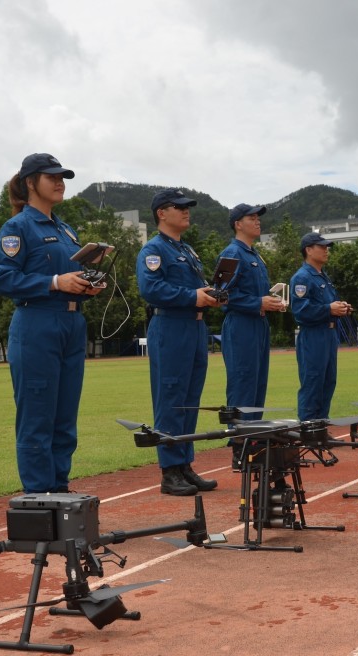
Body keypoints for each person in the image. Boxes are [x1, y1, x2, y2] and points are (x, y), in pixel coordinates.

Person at [0, 153, 104, 496]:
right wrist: (55, 282)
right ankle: (40, 496)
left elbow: (71, 278)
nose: (60, 182)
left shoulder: (65, 228)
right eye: (51, 176)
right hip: (37, 323)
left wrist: (86, 286)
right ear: (29, 182)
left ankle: (59, 489)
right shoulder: (18, 227)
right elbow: (3, 278)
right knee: (38, 418)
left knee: (64, 419)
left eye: (62, 177)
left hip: (71, 322)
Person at [136, 188, 222, 495]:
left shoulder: (186, 250)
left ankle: (184, 463)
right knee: (171, 398)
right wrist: (192, 296)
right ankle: (169, 470)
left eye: (187, 207)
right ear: (161, 213)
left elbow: (193, 288)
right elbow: (151, 289)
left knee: (189, 401)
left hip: (195, 328)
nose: (186, 211)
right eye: (179, 207)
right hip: (171, 326)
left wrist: (209, 295)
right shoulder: (154, 251)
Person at [218, 204, 286, 466]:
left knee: (257, 385)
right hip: (241, 325)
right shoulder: (232, 253)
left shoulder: (254, 254)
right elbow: (224, 296)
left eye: (258, 218)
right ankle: (240, 447)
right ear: (238, 223)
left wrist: (269, 302)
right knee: (243, 384)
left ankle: (254, 443)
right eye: (252, 217)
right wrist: (258, 302)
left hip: (258, 324)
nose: (257, 222)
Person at [290, 232, 352, 421]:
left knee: (327, 382)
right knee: (313, 382)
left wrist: (341, 308)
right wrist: (329, 309)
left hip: (329, 333)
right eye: (322, 247)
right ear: (308, 250)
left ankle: (321, 427)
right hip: (313, 335)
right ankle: (308, 429)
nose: (326, 251)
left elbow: (328, 305)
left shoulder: (322, 276)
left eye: (327, 247)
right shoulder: (302, 278)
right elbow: (300, 310)